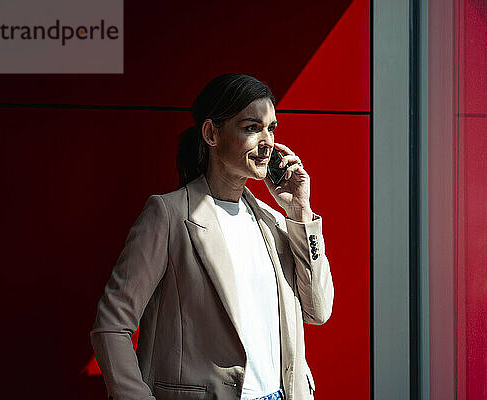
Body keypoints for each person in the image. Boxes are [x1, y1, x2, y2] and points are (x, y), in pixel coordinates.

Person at [90, 73, 334, 400]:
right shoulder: (169, 215)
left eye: (271, 128)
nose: (267, 142)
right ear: (211, 133)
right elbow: (111, 326)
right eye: (252, 128)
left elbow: (318, 311)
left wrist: (301, 212)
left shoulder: (275, 221)